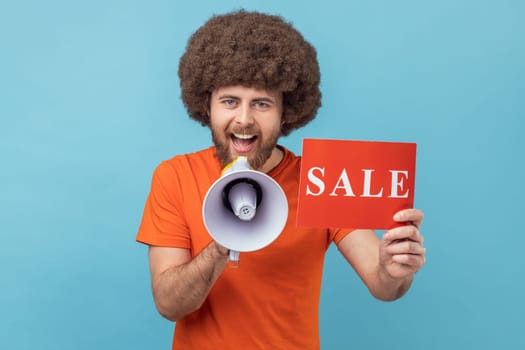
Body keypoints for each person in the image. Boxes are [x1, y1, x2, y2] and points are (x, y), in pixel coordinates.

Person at [136, 9, 426, 349]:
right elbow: (169, 305)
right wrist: (221, 246)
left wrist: (395, 269)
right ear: (207, 105)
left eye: (261, 104)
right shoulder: (174, 176)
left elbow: (383, 286)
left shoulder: (322, 179)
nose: (243, 119)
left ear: (285, 111)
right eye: (230, 101)